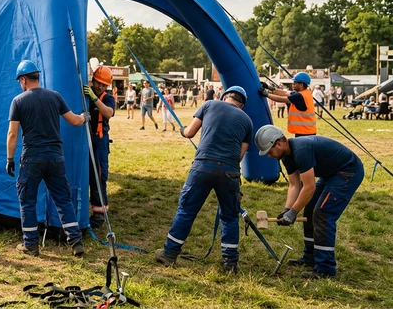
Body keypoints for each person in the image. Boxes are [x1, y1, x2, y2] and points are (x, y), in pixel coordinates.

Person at [156, 86, 252, 273]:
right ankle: (230, 263)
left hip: (202, 167)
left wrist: (183, 131)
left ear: (224, 96)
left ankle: (169, 253)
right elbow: (239, 157)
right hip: (230, 172)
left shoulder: (209, 105)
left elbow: (190, 132)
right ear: (242, 105)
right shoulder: (247, 121)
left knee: (187, 210)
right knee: (230, 216)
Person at [254, 125, 364, 279]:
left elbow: (309, 187)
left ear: (278, 143)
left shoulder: (301, 150)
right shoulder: (286, 156)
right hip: (331, 173)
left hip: (347, 171)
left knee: (322, 213)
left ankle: (325, 268)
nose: (269, 156)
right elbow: (294, 185)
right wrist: (287, 210)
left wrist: (293, 213)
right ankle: (310, 257)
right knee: (309, 209)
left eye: (269, 151)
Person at [7, 60, 87, 257]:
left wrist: (9, 159)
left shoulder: (18, 101)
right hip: (55, 157)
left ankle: (31, 246)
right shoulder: (55, 96)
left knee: (27, 200)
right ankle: (76, 242)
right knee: (63, 199)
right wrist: (86, 116)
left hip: (32, 158)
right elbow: (75, 121)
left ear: (24, 79)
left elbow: (12, 134)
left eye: (20, 81)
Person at [84, 66, 116, 228]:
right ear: (93, 80)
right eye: (98, 83)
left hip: (100, 144)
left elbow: (109, 113)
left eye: (104, 85)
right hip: (85, 140)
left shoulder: (107, 98)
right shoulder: (84, 94)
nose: (100, 87)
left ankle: (99, 215)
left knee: (99, 177)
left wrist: (94, 99)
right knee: (86, 176)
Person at [261, 72, 316, 136]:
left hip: (305, 132)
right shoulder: (305, 93)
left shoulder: (299, 96)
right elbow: (285, 92)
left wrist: (267, 94)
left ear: (301, 85)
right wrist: (269, 87)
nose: (293, 84)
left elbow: (281, 99)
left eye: (295, 83)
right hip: (307, 130)